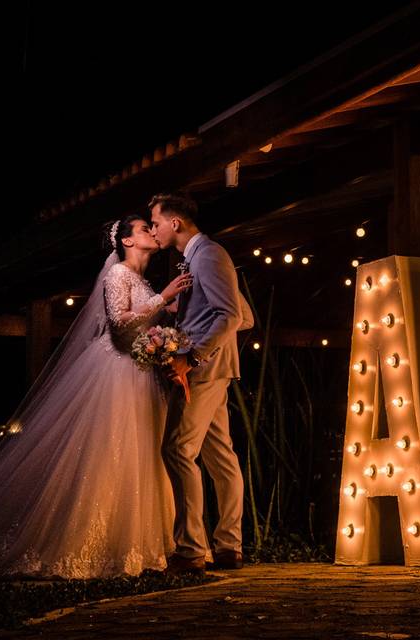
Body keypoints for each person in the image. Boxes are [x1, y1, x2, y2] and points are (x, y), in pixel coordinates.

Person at [0, 214, 192, 577]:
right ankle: (93, 544)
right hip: (115, 373)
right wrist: (162, 298)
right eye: (144, 229)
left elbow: (141, 322)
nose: (151, 233)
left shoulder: (139, 279)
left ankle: (137, 543)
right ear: (126, 241)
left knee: (140, 452)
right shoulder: (118, 274)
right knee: (108, 451)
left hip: (139, 373)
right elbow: (119, 321)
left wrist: (165, 323)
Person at [149, 192, 251, 572]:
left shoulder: (208, 255)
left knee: (176, 449)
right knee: (220, 456)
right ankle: (228, 547)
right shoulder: (196, 259)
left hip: (202, 370)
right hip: (211, 366)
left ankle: (191, 550)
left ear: (174, 223)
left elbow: (232, 316)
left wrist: (190, 354)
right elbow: (244, 316)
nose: (155, 231)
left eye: (156, 223)